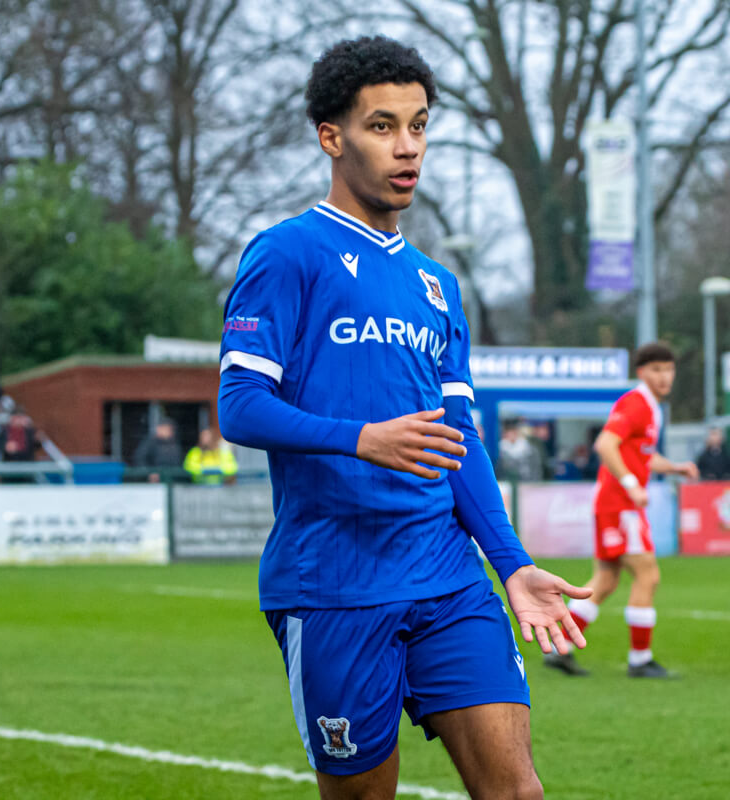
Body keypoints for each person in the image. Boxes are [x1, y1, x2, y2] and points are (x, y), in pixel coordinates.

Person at [216, 36, 589, 799]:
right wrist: (361, 440)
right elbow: (240, 406)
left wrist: (511, 564)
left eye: (418, 126)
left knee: (517, 791)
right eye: (382, 126)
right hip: (334, 585)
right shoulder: (287, 255)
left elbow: (462, 441)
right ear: (332, 137)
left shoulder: (435, 285)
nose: (407, 146)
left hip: (447, 575)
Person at [546, 343, 699, 679]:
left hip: (615, 504)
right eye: (657, 369)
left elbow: (642, 455)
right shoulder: (637, 403)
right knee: (648, 574)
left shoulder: (651, 408)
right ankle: (640, 660)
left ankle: (562, 648)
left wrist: (674, 468)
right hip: (619, 505)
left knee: (605, 581)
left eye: (669, 369)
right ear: (642, 372)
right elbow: (605, 444)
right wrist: (631, 483)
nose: (664, 376)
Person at [133, 417, 184, 482]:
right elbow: (139, 458)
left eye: (170, 429)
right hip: (153, 481)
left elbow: (178, 463)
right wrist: (149, 473)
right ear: (159, 429)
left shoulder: (174, 444)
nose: (169, 432)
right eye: (166, 429)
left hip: (171, 480)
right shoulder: (150, 442)